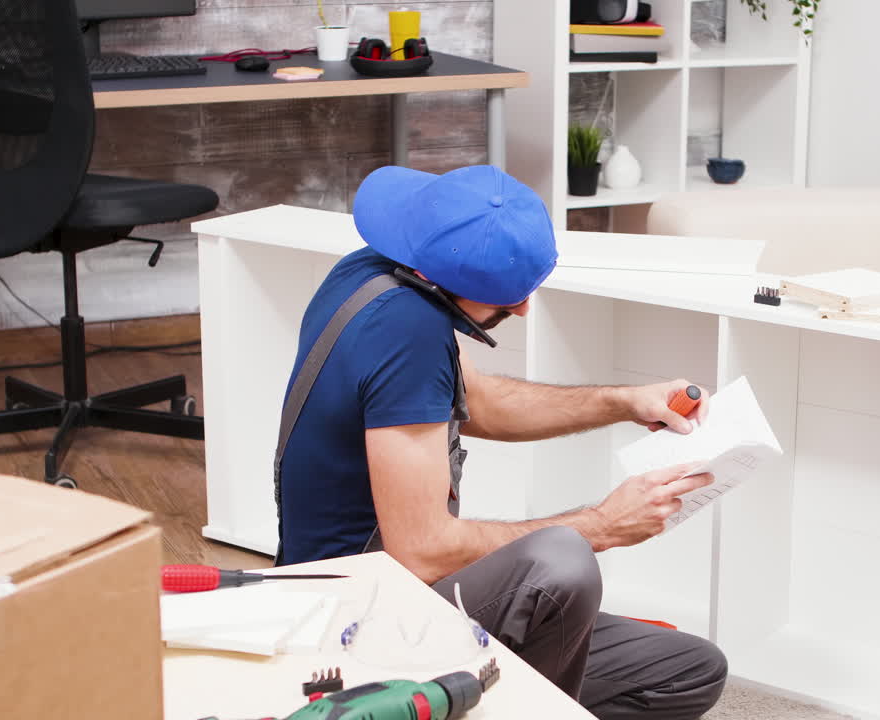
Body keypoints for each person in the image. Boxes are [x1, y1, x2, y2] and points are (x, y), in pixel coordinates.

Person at [274, 165, 728, 719]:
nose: (521, 307)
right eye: (505, 297)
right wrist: (602, 526)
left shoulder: (373, 271)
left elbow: (478, 402)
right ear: (434, 274)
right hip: (357, 619)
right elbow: (420, 552)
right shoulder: (407, 332)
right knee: (559, 563)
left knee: (686, 670)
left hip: (376, 596)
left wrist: (627, 401)